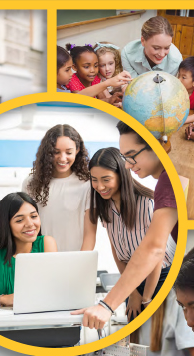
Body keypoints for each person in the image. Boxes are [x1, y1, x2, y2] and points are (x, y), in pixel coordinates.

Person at [73, 122, 178, 329]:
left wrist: (146, 298)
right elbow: (117, 249)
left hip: (160, 277)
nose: (100, 187)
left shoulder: (147, 204)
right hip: (133, 278)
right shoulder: (105, 207)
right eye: (94, 180)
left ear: (122, 175)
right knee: (135, 336)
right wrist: (133, 294)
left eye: (106, 179)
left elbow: (155, 257)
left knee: (154, 334)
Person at [22, 125, 96, 252]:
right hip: (39, 258)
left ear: (77, 150)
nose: (62, 158)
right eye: (56, 152)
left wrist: (81, 264)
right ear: (48, 152)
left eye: (68, 152)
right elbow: (25, 229)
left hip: (75, 260)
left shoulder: (87, 185)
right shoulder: (30, 183)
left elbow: (90, 234)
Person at [64, 44, 130, 105]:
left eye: (95, 66)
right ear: (75, 67)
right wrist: (109, 83)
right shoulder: (72, 80)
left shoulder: (95, 79)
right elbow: (79, 101)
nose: (93, 70)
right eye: (86, 67)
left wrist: (111, 99)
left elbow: (101, 99)